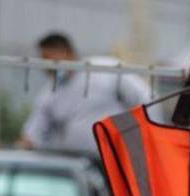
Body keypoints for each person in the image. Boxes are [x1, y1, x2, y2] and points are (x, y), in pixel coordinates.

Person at [20, 32, 150, 155]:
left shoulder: (106, 70)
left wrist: (147, 139)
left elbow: (145, 99)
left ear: (68, 53)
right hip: (77, 164)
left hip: (119, 157)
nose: (47, 68)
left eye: (51, 61)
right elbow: (34, 132)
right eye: (44, 61)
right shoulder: (50, 93)